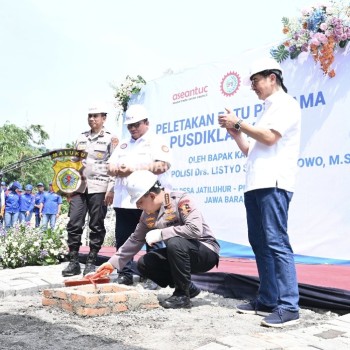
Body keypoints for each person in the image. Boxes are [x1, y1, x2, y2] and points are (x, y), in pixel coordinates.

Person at [218, 57, 301, 328]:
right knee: (260, 244)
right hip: (255, 184)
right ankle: (267, 299)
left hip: (274, 183)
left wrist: (239, 123)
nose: (253, 87)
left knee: (276, 243)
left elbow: (269, 138)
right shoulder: (266, 109)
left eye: (255, 81)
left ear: (272, 78)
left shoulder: (286, 104)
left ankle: (289, 306)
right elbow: (251, 149)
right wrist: (234, 132)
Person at [96, 170, 220, 309]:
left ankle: (182, 296)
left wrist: (162, 233)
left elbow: (195, 230)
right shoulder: (147, 215)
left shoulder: (180, 200)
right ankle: (188, 287)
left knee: (175, 242)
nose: (138, 207)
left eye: (140, 202)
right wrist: (112, 264)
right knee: (145, 262)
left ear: (152, 195)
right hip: (179, 252)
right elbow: (135, 240)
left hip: (205, 251)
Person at [107, 104, 172, 287]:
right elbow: (110, 166)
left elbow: (163, 165)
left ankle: (155, 276)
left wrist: (134, 169)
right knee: (123, 239)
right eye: (130, 126)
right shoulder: (124, 144)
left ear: (147, 123)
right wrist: (116, 170)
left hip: (149, 201)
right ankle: (125, 273)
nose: (133, 128)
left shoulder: (156, 141)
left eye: (136, 124)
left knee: (153, 239)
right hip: (124, 200)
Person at [61, 104, 115, 277]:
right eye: (90, 116)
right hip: (79, 188)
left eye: (96, 116)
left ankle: (91, 261)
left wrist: (111, 188)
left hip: (100, 187)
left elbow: (113, 165)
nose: (92, 119)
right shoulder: (81, 137)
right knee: (74, 223)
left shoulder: (110, 139)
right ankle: (74, 261)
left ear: (104, 118)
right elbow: (73, 163)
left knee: (96, 225)